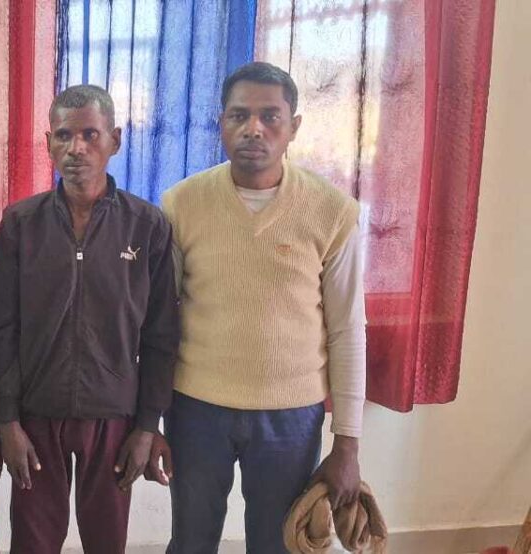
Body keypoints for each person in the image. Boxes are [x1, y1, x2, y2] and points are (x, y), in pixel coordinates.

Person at [157, 61, 365, 553]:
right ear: (221, 123)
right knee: (190, 541)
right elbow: (159, 320)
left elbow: (348, 329)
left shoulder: (332, 211)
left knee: (278, 543)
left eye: (270, 116)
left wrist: (347, 444)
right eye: (239, 115)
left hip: (291, 415)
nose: (254, 128)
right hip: (196, 407)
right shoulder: (181, 204)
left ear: (294, 126)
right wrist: (150, 418)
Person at [0, 84, 180, 553]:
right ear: (48, 143)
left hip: (114, 418)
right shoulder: (20, 224)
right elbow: (1, 329)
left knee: (106, 543)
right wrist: (7, 422)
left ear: (115, 139)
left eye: (90, 134)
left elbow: (161, 336)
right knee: (32, 544)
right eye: (64, 135)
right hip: (36, 416)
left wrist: (147, 426)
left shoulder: (146, 226)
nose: (76, 148)